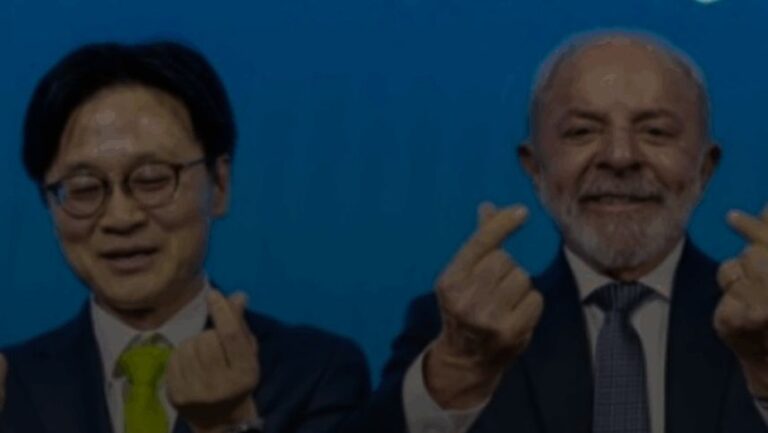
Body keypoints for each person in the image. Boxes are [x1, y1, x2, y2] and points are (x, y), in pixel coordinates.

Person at [349, 31, 768, 433]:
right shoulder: (455, 332)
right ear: (535, 169)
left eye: (655, 132)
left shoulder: (757, 323)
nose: (620, 156)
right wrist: (460, 367)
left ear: (705, 168)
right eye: (582, 131)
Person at [0, 41, 369, 433]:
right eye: (84, 188)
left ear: (220, 184)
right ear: (48, 202)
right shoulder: (11, 386)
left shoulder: (316, 374)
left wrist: (230, 424)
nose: (121, 218)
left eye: (152, 180)